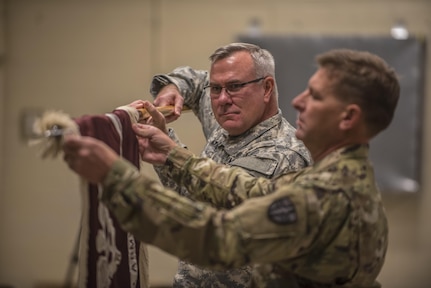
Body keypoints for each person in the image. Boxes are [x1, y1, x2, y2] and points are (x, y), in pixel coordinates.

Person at [62, 48, 399, 287]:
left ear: (348, 117)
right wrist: (173, 153)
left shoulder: (323, 191)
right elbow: (252, 190)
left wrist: (114, 176)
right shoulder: (336, 175)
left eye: (315, 96)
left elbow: (218, 237)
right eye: (217, 90)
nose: (297, 101)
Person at [129, 42, 311, 287]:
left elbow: (200, 215)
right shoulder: (230, 118)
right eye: (216, 89)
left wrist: (168, 152)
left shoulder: (282, 154)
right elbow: (196, 80)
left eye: (235, 86)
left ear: (267, 88)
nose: (223, 99)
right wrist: (173, 87)